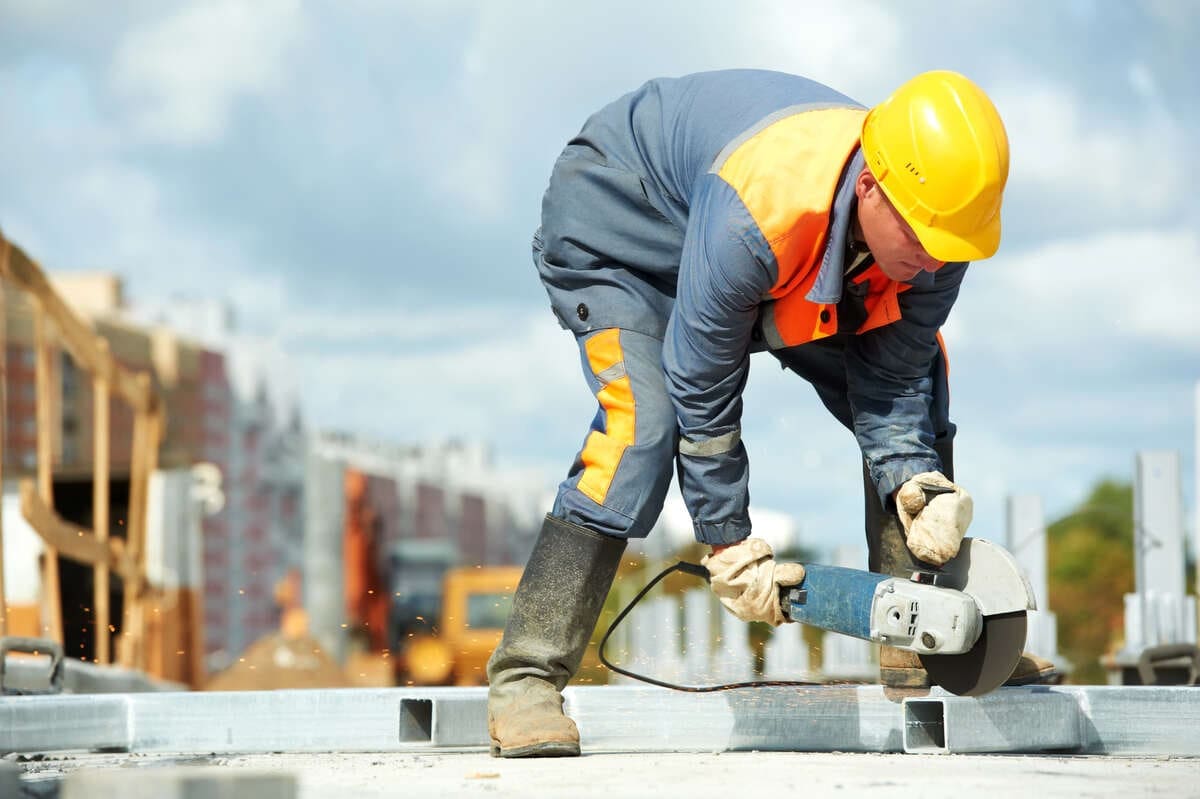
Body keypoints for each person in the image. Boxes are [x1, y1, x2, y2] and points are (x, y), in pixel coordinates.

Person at [487, 68, 1054, 759]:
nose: (932, 258)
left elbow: (893, 377)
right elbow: (702, 380)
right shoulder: (760, 209)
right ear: (872, 184)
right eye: (919, 236)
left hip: (759, 260)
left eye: (949, 244)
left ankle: (921, 633)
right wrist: (728, 542)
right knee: (645, 427)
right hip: (623, 232)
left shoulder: (936, 230)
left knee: (922, 387)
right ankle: (526, 675)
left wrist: (916, 479)